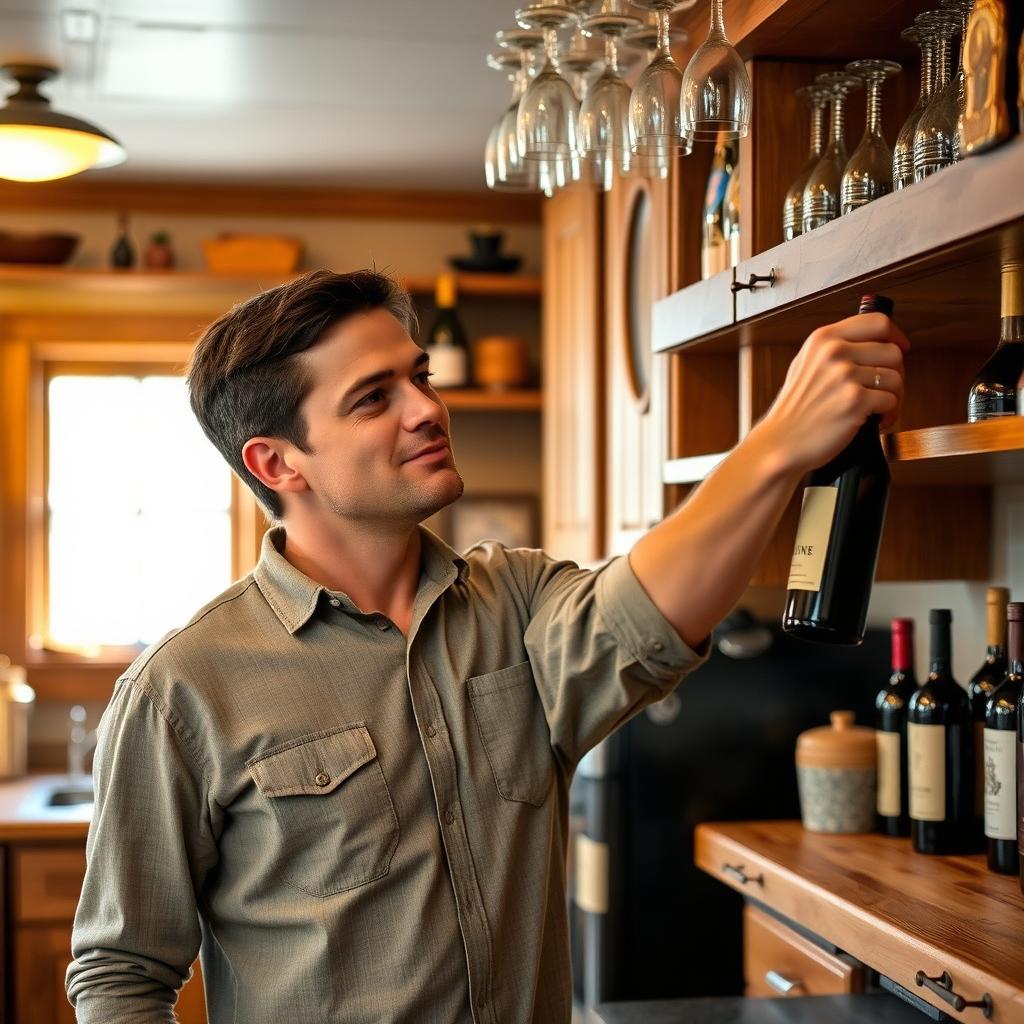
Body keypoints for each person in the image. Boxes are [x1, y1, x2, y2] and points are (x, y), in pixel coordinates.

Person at [65, 269, 907, 1023]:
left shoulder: (517, 600)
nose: (427, 408)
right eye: (373, 398)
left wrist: (783, 450)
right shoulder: (185, 688)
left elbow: (647, 614)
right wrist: (776, 442)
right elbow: (120, 974)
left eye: (418, 378)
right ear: (279, 463)